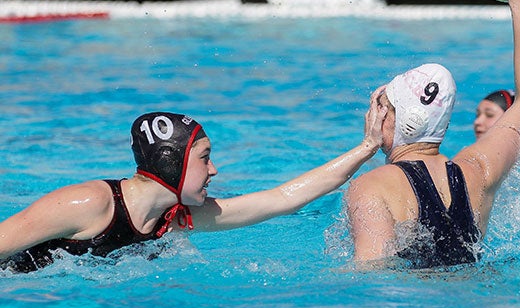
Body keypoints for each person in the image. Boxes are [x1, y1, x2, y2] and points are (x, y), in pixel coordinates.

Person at [0, 95, 387, 273]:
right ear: (171, 163)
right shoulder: (88, 203)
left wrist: (367, 147)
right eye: (204, 157)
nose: (214, 170)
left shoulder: (176, 218)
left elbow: (280, 199)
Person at [346, 0, 520, 268]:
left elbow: (372, 280)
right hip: (475, 305)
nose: (372, 113)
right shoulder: (477, 171)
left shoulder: (371, 188)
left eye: (381, 106)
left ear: (403, 122)